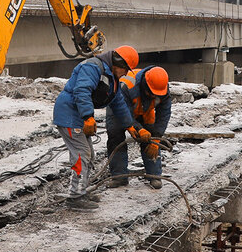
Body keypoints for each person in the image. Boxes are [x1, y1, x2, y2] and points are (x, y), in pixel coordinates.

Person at [52, 46, 139, 210]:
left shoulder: (111, 77)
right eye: (126, 69)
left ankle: (81, 190)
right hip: (70, 115)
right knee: (81, 155)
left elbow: (118, 102)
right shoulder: (92, 67)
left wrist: (130, 126)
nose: (126, 73)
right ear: (118, 62)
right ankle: (75, 197)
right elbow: (81, 90)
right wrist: (88, 116)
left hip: (78, 116)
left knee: (89, 154)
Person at [106, 65, 172, 189]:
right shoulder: (127, 86)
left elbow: (164, 114)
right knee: (115, 135)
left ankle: (154, 175)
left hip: (145, 110)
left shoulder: (162, 88)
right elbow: (124, 113)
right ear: (145, 84)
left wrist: (156, 138)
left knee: (150, 138)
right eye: (151, 93)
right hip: (118, 110)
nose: (154, 96)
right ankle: (119, 176)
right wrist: (138, 129)